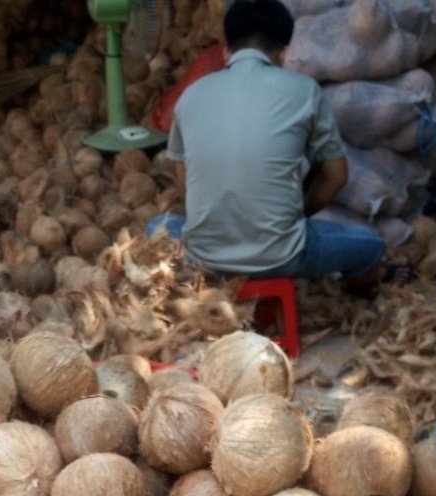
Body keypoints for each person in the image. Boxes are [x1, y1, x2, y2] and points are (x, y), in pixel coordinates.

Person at [149, 0, 390, 293]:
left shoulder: (191, 95)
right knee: (371, 245)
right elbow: (336, 175)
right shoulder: (304, 89)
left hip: (203, 259)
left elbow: (187, 189)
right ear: (283, 53)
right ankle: (359, 299)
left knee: (156, 228)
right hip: (280, 258)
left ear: (225, 49)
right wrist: (297, 215)